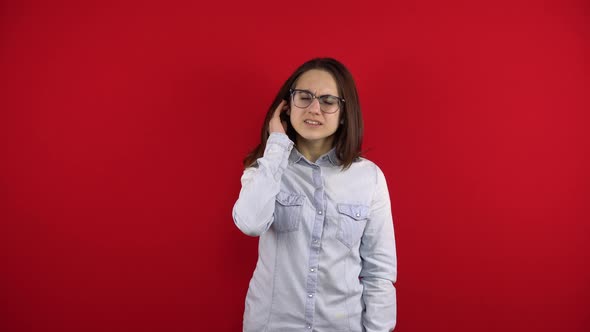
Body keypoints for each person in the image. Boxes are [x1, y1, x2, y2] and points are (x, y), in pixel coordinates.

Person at [232, 57, 397, 332]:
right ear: (287, 106)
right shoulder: (264, 171)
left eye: (328, 101)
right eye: (304, 97)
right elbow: (249, 224)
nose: (314, 108)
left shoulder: (369, 178)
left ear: (344, 113)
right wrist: (275, 147)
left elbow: (379, 272)